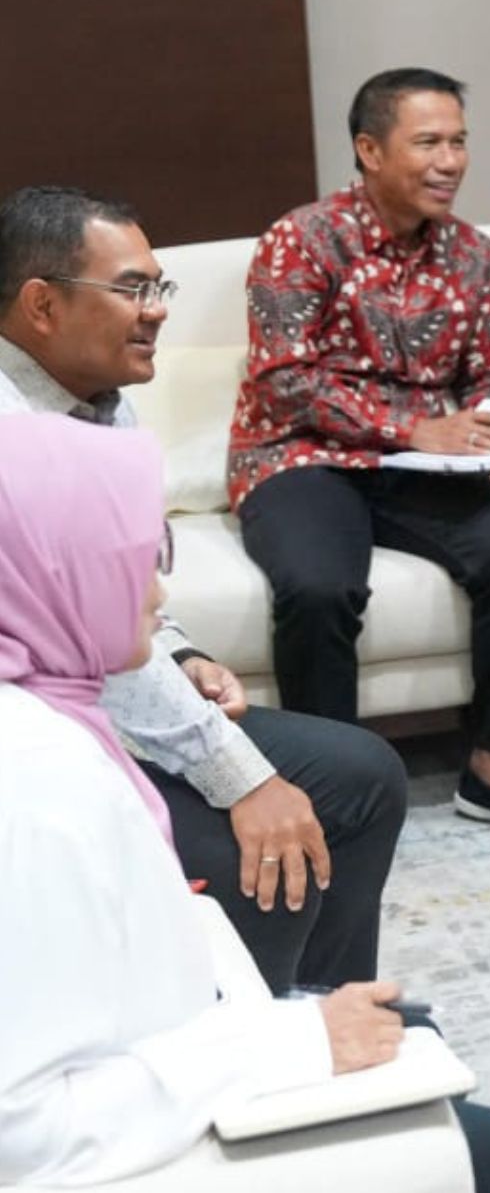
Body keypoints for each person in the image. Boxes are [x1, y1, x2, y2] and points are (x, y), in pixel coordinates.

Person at [0, 413, 490, 1191]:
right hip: (130, 1144)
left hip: (168, 1059)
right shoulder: (38, 784)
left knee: (410, 1030)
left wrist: (285, 1022)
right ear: (55, 576)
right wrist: (297, 1044)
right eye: (137, 560)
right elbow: (26, 1130)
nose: (160, 591)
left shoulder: (48, 715)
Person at [0, 184, 406, 995]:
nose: (156, 310)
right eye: (132, 289)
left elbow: (124, 601)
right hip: (38, 750)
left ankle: (324, 1014)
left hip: (107, 710)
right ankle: (249, 1050)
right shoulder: (18, 442)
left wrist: (182, 653)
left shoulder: (99, 403)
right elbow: (85, 658)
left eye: (159, 286)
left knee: (363, 775)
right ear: (42, 304)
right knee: (261, 864)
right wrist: (241, 777)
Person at [229, 68, 490, 842]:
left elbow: (487, 376)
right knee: (319, 587)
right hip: (301, 455)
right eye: (428, 142)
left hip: (422, 467)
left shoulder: (477, 255)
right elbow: (284, 381)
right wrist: (411, 428)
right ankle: (329, 790)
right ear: (369, 150)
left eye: (458, 142)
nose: (449, 161)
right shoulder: (301, 240)